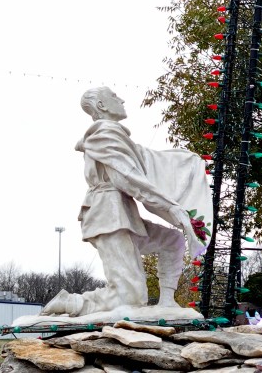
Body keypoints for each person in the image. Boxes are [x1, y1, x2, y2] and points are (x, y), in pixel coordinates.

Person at [41, 86, 211, 316]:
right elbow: (129, 177)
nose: (120, 99)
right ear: (101, 106)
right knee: (130, 297)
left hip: (122, 213)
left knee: (172, 241)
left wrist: (185, 162)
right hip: (107, 215)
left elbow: (147, 161)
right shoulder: (104, 135)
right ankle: (70, 303)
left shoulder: (115, 135)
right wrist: (170, 206)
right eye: (113, 96)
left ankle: (167, 302)